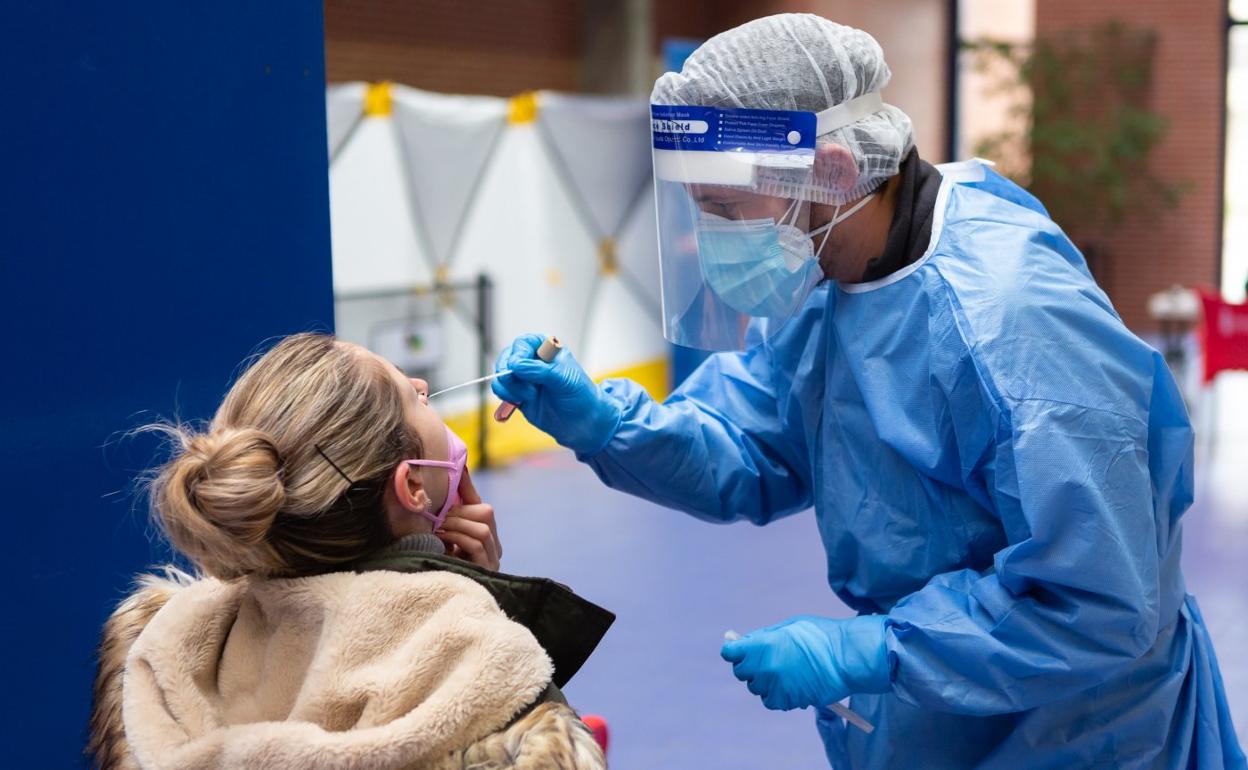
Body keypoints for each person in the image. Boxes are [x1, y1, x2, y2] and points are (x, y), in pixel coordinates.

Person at [493, 13, 1246, 769]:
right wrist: (605, 424)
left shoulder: (1011, 319)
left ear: (830, 171)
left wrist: (875, 648)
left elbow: (1099, 596)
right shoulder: (827, 269)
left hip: (1080, 731)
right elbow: (755, 445)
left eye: (724, 209)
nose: (706, 237)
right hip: (939, 713)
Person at [88, 333, 612, 770]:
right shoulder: (486, 671)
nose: (423, 385)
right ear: (413, 487)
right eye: (413, 398)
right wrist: (485, 602)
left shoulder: (168, 656)